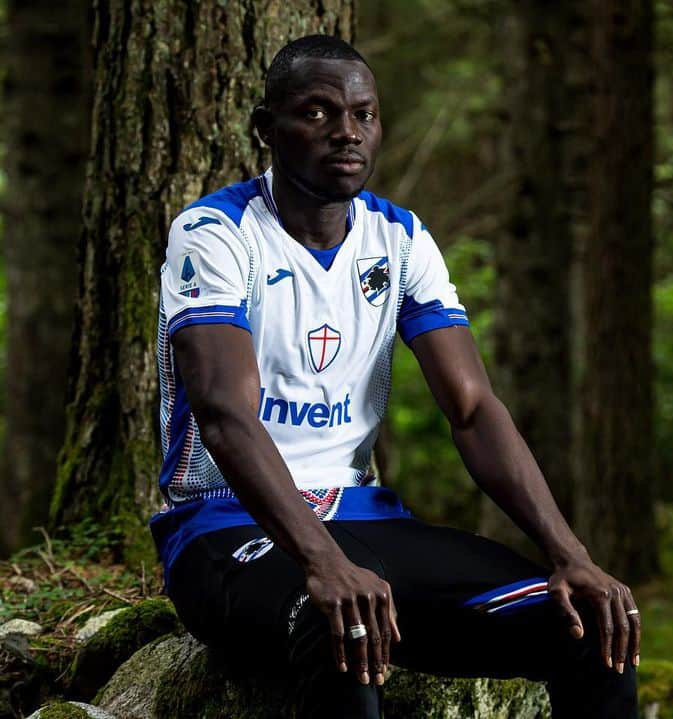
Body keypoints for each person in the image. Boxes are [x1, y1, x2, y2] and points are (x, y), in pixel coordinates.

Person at [149, 34, 641, 718]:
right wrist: (322, 563)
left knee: (588, 621)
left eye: (363, 113)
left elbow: (471, 409)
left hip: (367, 523)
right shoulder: (214, 233)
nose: (346, 132)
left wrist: (568, 551)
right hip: (227, 529)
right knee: (342, 625)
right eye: (317, 113)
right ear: (267, 129)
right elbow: (225, 412)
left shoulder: (400, 238)